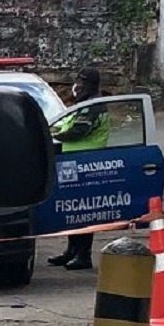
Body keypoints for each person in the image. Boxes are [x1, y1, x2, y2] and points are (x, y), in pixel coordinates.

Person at [48, 68, 110, 271]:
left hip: (88, 165)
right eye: (77, 80)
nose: (78, 85)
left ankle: (83, 255)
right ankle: (71, 251)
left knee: (83, 213)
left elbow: (76, 131)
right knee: (73, 211)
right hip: (74, 164)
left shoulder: (94, 107)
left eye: (82, 82)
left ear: (92, 84)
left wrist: (50, 132)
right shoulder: (82, 105)